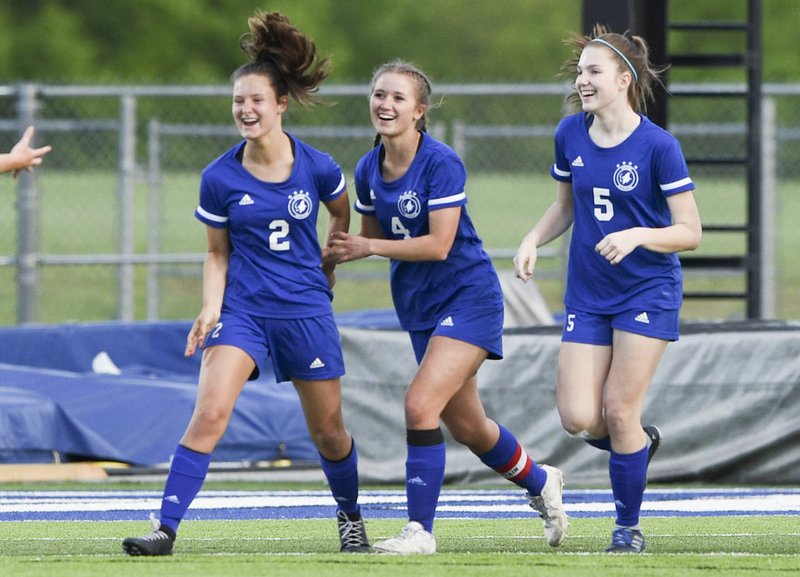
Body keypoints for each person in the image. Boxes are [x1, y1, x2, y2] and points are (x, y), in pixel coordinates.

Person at [123, 11, 369, 556]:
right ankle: (165, 529)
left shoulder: (318, 166)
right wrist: (212, 308)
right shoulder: (219, 176)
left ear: (281, 103)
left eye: (257, 100)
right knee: (209, 412)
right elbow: (217, 253)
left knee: (329, 432)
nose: (246, 110)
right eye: (239, 101)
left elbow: (341, 215)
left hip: (305, 312)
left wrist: (328, 264)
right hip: (245, 313)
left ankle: (351, 520)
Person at [329, 59, 568, 555]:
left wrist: (366, 248)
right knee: (468, 427)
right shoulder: (368, 168)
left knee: (420, 405)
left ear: (419, 111)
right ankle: (542, 482)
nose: (385, 104)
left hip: (469, 297)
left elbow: (439, 245)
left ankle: (419, 532)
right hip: (420, 308)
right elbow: (368, 240)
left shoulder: (441, 162)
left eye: (398, 97)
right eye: (379, 94)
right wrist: (328, 259)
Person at [514, 26, 702, 554]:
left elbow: (690, 231)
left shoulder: (659, 146)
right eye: (581, 71)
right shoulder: (570, 133)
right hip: (589, 294)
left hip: (647, 291)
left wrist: (639, 234)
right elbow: (564, 207)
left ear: (625, 79)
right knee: (578, 417)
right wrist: (532, 239)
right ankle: (637, 447)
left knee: (620, 411)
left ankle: (628, 527)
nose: (583, 80)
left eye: (594, 71)